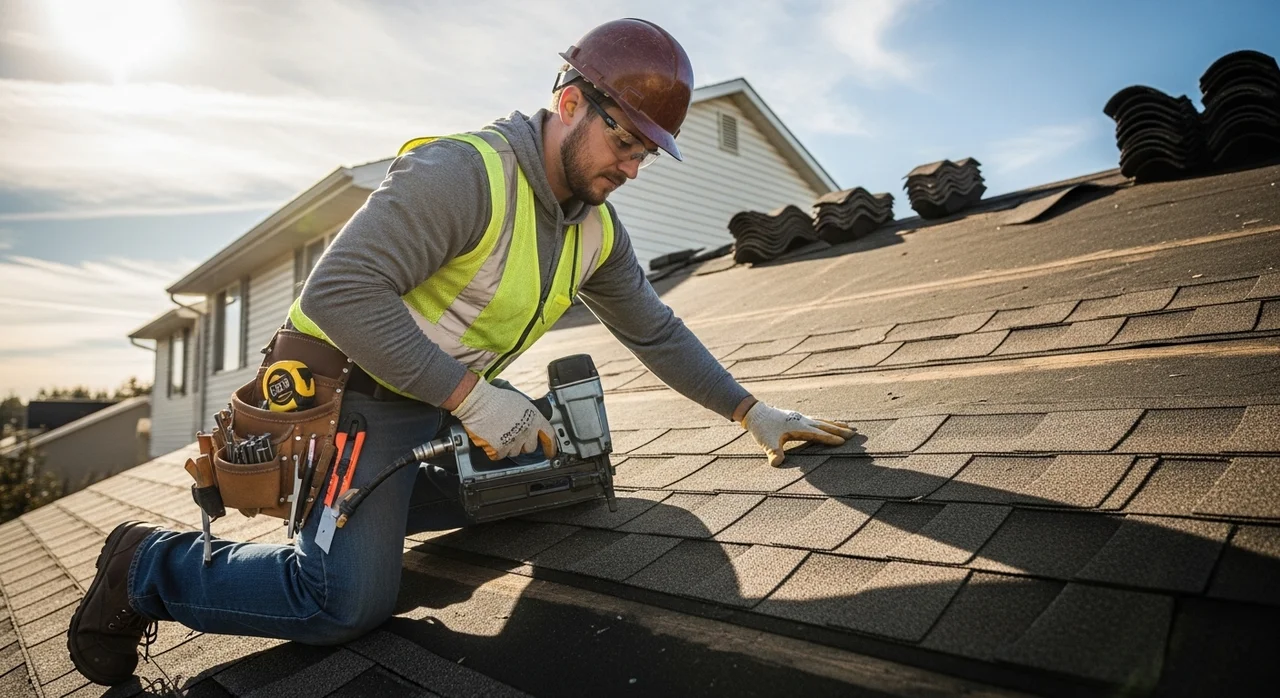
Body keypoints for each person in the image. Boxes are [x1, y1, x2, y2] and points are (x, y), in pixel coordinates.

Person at [67, 18, 854, 686]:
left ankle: (371, 516)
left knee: (572, 475)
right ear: (570, 104)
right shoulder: (465, 174)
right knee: (342, 604)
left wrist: (751, 412)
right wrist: (475, 401)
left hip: (436, 405)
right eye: (623, 140)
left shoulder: (593, 229)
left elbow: (655, 329)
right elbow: (341, 295)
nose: (631, 166)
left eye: (646, 154)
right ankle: (147, 565)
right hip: (351, 402)